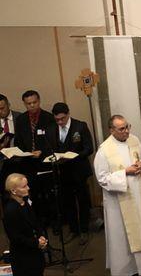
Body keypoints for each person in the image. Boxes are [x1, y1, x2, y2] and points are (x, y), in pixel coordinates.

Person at [94, 115, 141, 276]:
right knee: (123, 236)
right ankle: (126, 270)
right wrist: (125, 172)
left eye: (127, 126)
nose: (126, 131)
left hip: (139, 197)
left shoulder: (134, 140)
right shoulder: (104, 150)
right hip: (119, 202)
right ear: (111, 130)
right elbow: (102, 178)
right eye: (121, 129)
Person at [46, 102, 94, 245]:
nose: (60, 122)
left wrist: (74, 156)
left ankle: (84, 229)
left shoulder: (80, 126)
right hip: (62, 171)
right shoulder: (51, 129)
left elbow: (89, 148)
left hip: (78, 170)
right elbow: (49, 148)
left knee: (83, 200)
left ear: (68, 114)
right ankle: (74, 230)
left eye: (62, 119)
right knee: (68, 202)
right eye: (57, 119)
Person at [14, 90, 55, 224]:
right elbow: (19, 141)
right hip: (28, 163)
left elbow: (53, 141)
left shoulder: (48, 118)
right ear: (25, 104)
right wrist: (23, 153)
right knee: (34, 193)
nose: (32, 105)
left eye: (34, 102)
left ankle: (53, 221)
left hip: (44, 162)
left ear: (39, 101)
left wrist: (42, 151)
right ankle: (39, 220)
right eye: (28, 103)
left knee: (49, 193)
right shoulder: (20, 119)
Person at [2, 173, 47, 276]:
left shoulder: (25, 202)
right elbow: (15, 237)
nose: (28, 188)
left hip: (35, 253)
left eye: (27, 184)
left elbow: (35, 222)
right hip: (23, 257)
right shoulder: (10, 211)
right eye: (24, 186)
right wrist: (36, 243)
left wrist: (41, 236)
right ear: (13, 191)